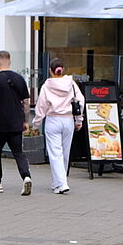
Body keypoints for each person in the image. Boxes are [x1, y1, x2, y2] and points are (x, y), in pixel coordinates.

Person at [0, 51, 32, 195]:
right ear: (10, 61)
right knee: (18, 153)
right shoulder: (20, 79)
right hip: (16, 122)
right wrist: (25, 121)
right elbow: (26, 102)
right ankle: (26, 177)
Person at [32, 58, 85, 195]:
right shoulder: (71, 84)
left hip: (53, 119)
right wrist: (79, 120)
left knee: (55, 153)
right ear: (63, 70)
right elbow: (81, 101)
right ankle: (59, 182)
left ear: (50, 70)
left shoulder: (46, 86)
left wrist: (36, 123)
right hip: (68, 120)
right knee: (65, 152)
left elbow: (41, 106)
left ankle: (61, 183)